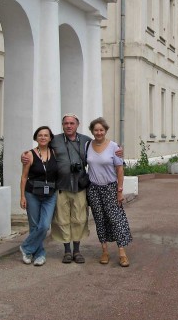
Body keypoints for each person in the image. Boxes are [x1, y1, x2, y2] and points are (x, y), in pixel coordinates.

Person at [21, 113, 122, 264]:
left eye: (72, 123)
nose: (69, 126)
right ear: (62, 125)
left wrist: (119, 150)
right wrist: (24, 155)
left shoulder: (87, 141)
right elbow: (40, 147)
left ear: (77, 125)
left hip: (80, 187)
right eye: (66, 123)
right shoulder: (55, 140)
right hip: (60, 187)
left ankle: (77, 250)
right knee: (62, 220)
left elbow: (102, 144)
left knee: (79, 219)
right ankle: (67, 251)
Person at [86, 117, 132, 267]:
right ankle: (104, 251)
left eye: (101, 130)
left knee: (115, 219)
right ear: (92, 131)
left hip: (110, 188)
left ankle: (122, 253)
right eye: (96, 130)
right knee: (99, 219)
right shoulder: (87, 145)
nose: (98, 132)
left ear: (105, 131)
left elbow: (119, 170)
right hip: (93, 188)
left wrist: (120, 190)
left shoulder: (113, 147)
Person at [19, 126, 58, 266]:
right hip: (32, 193)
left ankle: (26, 248)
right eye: (40, 135)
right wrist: (22, 196)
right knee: (34, 225)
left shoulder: (55, 153)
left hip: (50, 194)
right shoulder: (29, 155)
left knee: (44, 225)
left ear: (50, 138)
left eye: (46, 135)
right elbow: (24, 177)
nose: (43, 137)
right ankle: (39, 254)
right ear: (36, 138)